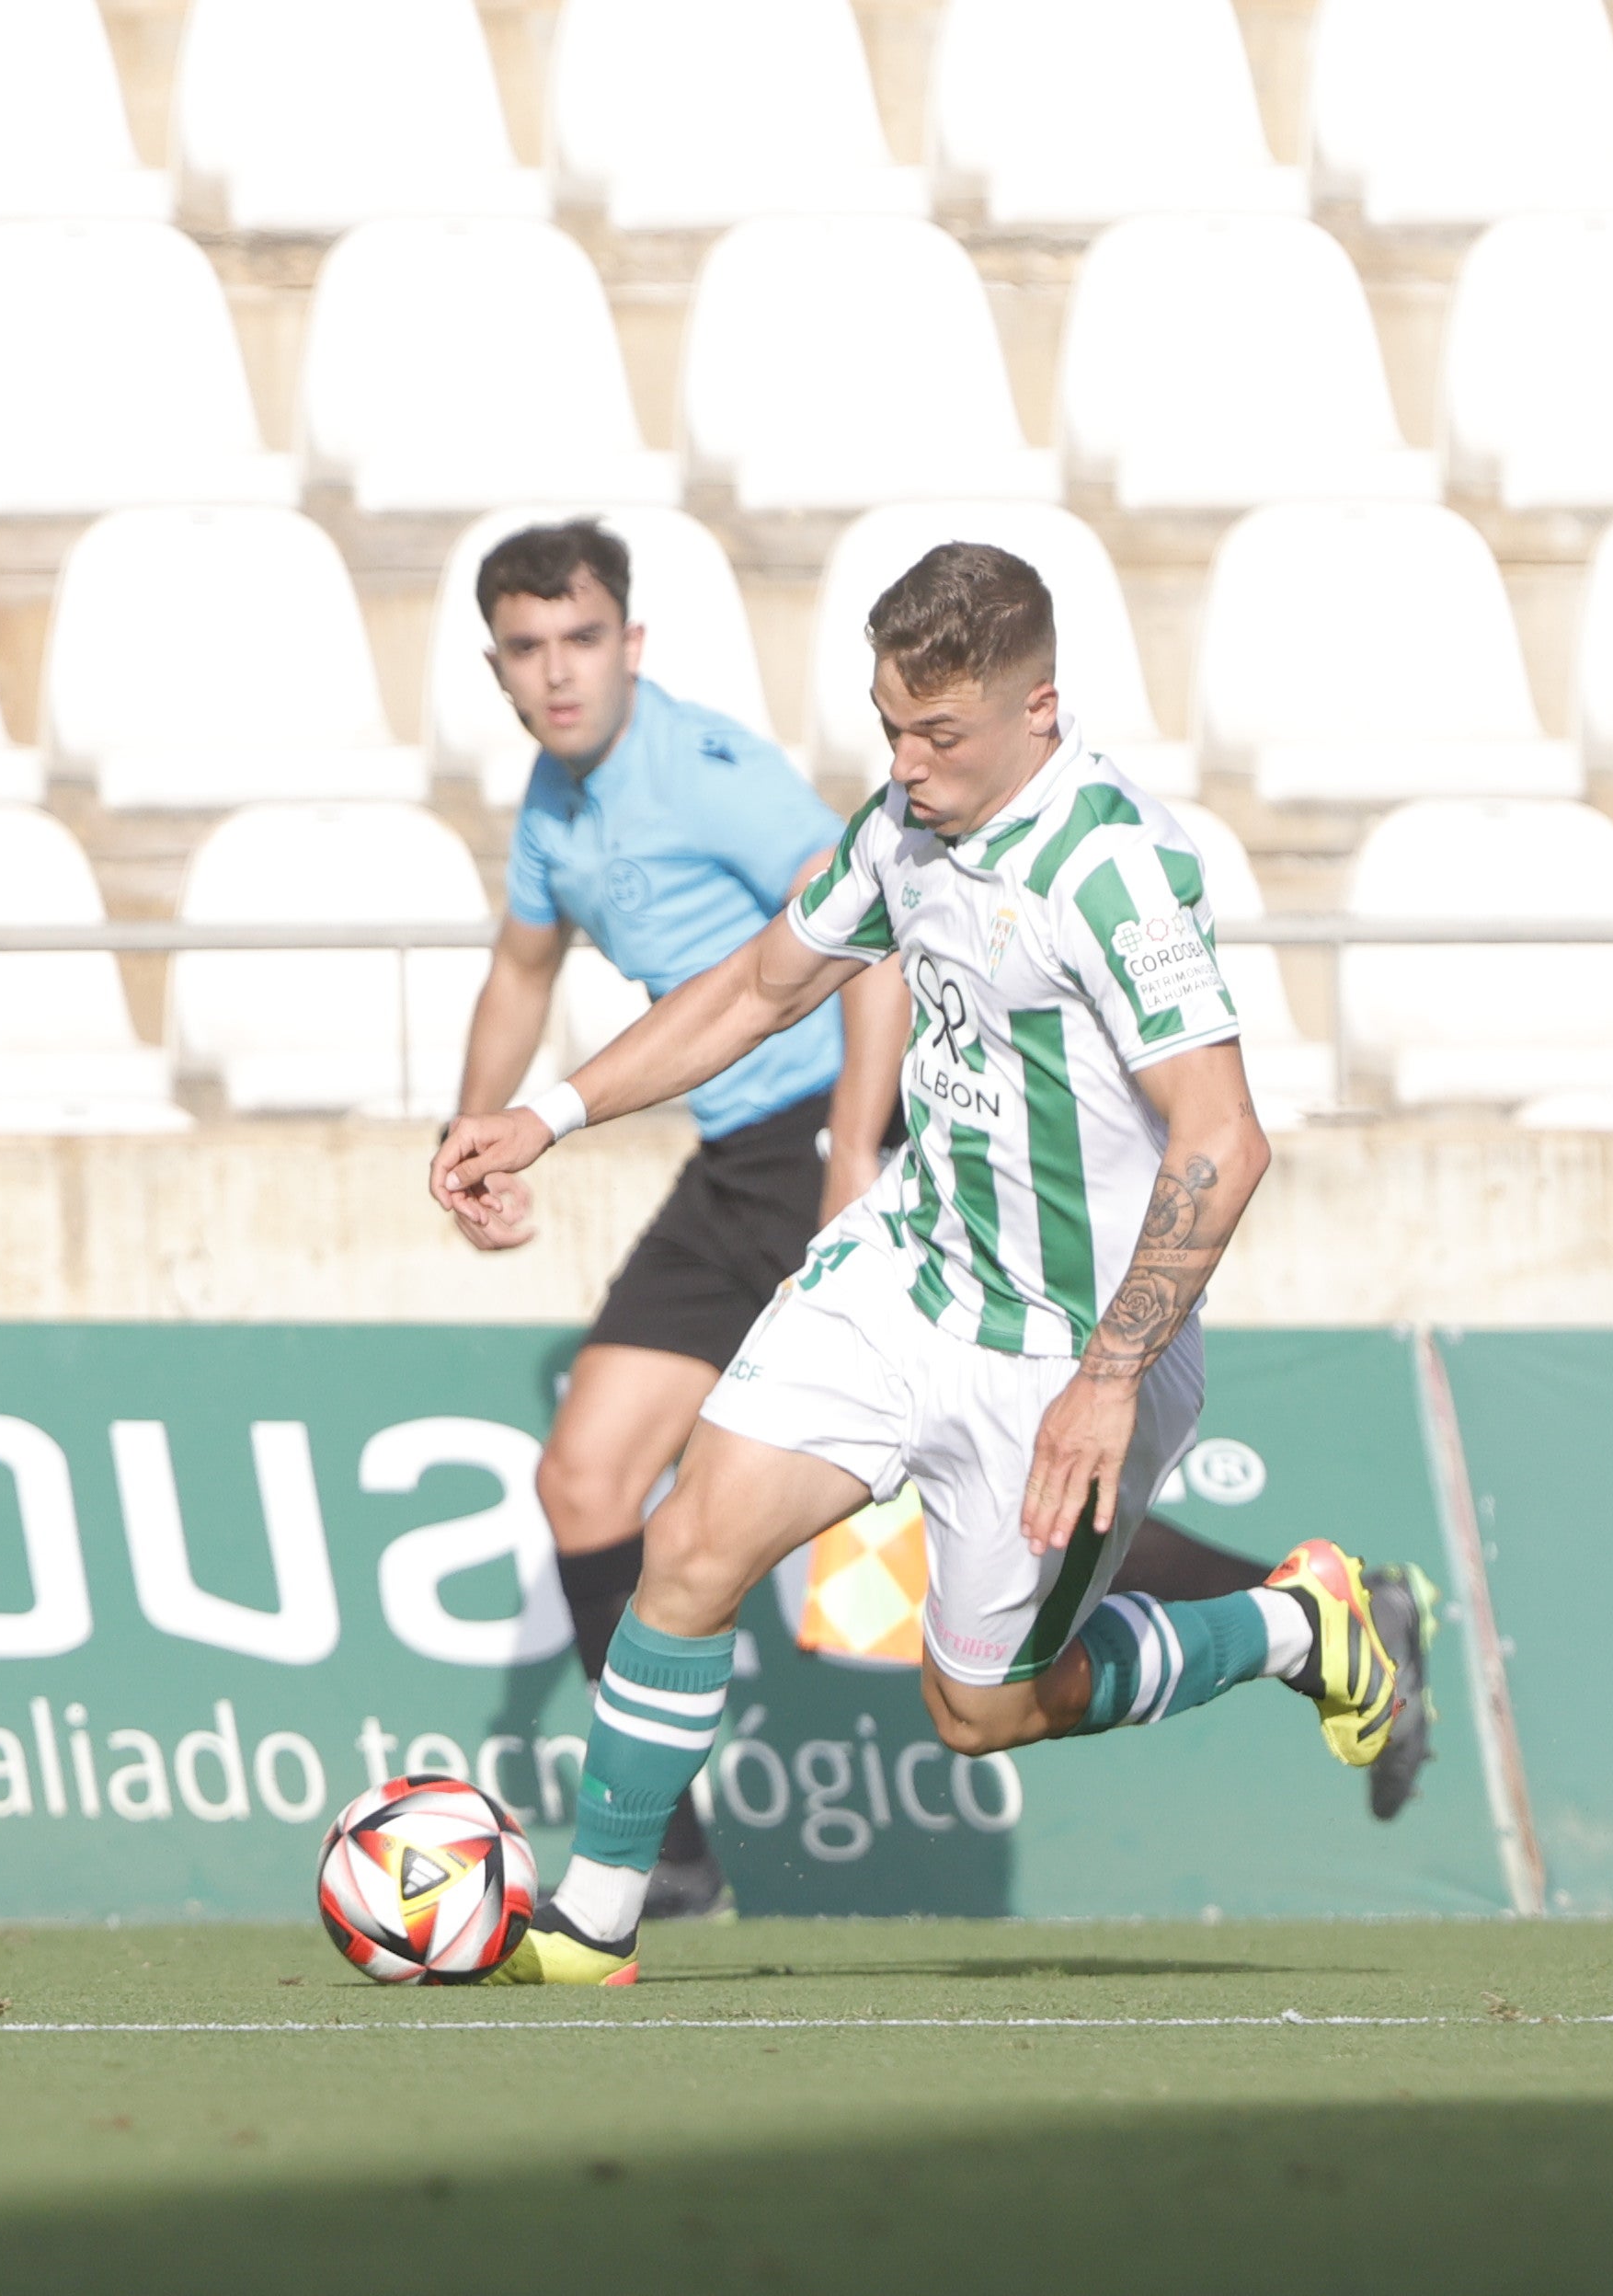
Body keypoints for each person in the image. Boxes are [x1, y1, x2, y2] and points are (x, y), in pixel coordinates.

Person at [433, 543, 1409, 1983]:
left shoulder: (1114, 864)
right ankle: (598, 1919)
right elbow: (765, 986)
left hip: (1065, 1348)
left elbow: (1224, 1140)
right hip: (906, 1268)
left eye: (940, 733)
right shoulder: (901, 822)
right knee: (689, 1548)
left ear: (1039, 710)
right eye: (891, 723)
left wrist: (1108, 1380)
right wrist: (549, 1113)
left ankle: (1298, 1626)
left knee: (987, 1711)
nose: (908, 761)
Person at [452, 518, 906, 1920]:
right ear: (500, 669)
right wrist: (475, 1136)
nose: (558, 671)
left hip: (838, 1139)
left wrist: (853, 1160)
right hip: (733, 1161)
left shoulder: (709, 771)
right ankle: (670, 1847)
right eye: (528, 650)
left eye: (581, 639)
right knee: (584, 1479)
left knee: (990, 1485)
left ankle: (1312, 1607)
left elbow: (873, 932)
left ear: (631, 644)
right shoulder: (551, 800)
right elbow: (522, 973)